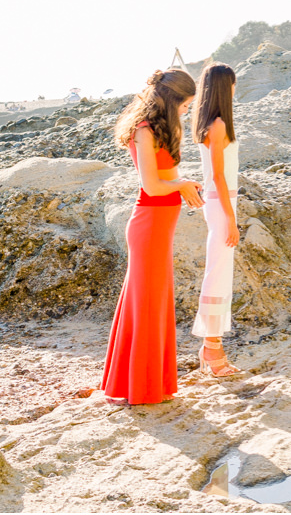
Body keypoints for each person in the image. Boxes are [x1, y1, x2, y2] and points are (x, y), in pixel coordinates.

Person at [101, 69, 203, 405]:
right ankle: (140, 389)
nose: (188, 111)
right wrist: (182, 185)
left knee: (149, 304)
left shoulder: (165, 127)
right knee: (146, 306)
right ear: (172, 100)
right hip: (148, 223)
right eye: (186, 105)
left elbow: (169, 178)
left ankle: (141, 384)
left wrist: (187, 186)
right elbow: (152, 186)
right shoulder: (144, 130)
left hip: (162, 223)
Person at [191, 63, 242, 378]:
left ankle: (211, 347)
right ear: (227, 88)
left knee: (219, 273)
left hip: (218, 202)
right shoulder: (219, 125)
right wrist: (232, 220)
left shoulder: (209, 124)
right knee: (219, 275)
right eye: (234, 85)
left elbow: (214, 176)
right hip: (223, 203)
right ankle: (212, 349)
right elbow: (220, 178)